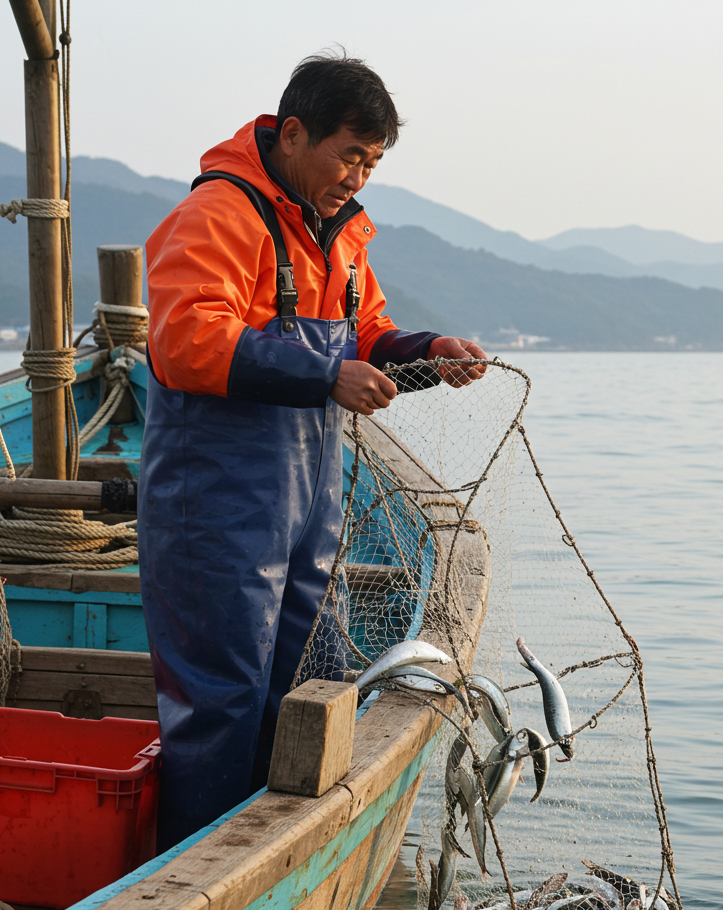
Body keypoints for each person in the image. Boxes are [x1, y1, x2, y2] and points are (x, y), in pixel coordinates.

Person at [139, 53, 486, 852]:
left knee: (307, 684)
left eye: (371, 164)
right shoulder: (219, 214)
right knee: (220, 702)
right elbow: (184, 338)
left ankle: (279, 847)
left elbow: (366, 334)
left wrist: (428, 352)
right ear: (293, 134)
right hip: (215, 510)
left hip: (306, 515)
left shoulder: (341, 236)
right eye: (348, 156)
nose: (356, 178)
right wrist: (327, 375)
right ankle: (199, 873)